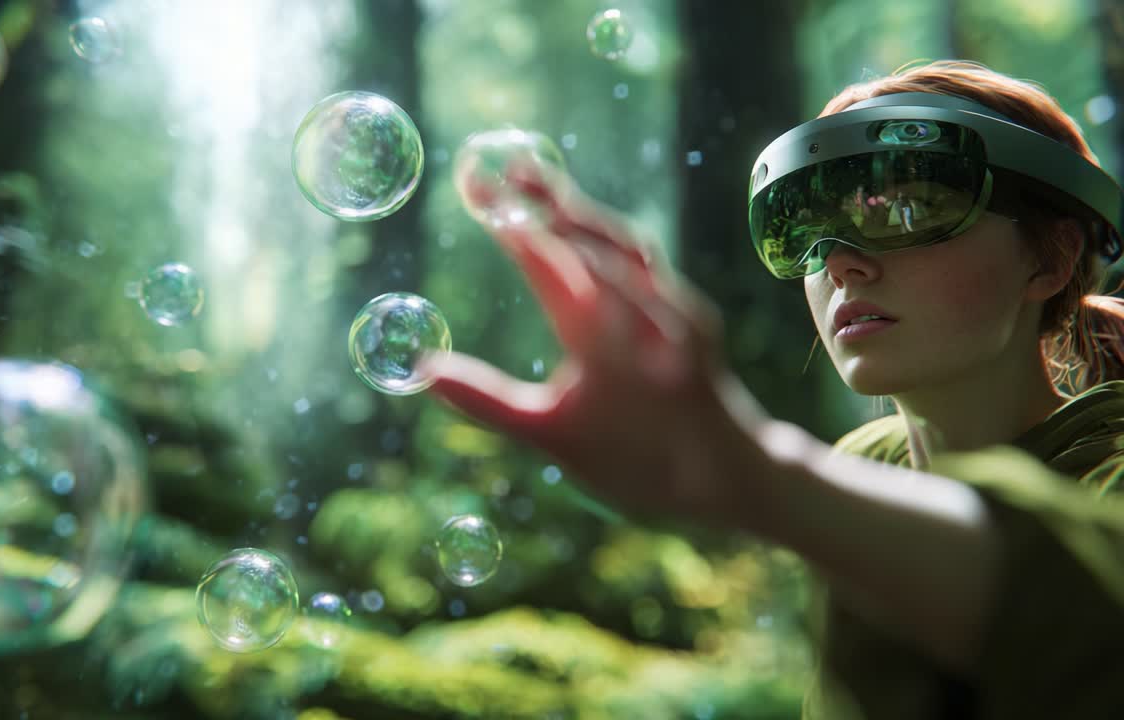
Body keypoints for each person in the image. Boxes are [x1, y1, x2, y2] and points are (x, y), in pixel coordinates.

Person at [423, 59, 1124, 719]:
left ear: (1052, 259)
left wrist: (760, 475)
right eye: (811, 231)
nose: (841, 263)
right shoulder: (861, 463)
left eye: (905, 209)